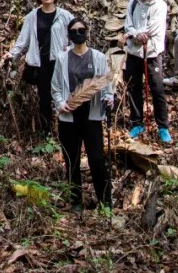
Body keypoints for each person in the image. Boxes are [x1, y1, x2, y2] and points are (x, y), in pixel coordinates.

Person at [52, 16, 113, 210]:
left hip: (92, 115)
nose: (78, 34)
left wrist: (109, 97)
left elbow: (106, 83)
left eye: (81, 30)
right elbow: (55, 87)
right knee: (72, 160)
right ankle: (76, 201)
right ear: (69, 36)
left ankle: (105, 201)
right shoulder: (63, 58)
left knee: (96, 159)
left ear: (87, 32)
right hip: (69, 117)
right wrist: (61, 104)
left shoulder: (98, 57)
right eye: (74, 31)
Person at [5, 0, 74, 139]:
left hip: (59, 62)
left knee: (62, 95)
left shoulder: (65, 15)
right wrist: (12, 54)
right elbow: (23, 40)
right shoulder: (32, 16)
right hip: (40, 63)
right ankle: (46, 130)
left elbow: (76, 34)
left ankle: (65, 129)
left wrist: (69, 49)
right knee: (44, 97)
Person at [120, 0, 171, 143]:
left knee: (157, 89)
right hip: (135, 52)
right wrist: (134, 35)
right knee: (133, 87)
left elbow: (154, 27)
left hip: (152, 53)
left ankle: (162, 126)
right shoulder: (133, 2)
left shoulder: (160, 5)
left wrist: (137, 35)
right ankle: (137, 122)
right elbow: (128, 24)